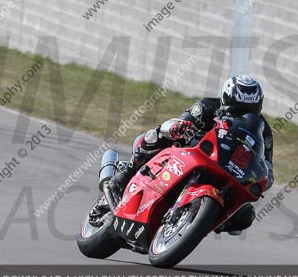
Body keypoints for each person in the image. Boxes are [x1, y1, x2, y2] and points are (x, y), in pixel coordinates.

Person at [108, 75, 274, 236]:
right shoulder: (208, 106)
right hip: (192, 151)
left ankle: (203, 221)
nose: (244, 113)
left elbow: (267, 166)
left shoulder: (263, 130)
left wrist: (263, 179)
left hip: (229, 171)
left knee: (245, 216)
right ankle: (125, 174)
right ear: (226, 98)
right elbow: (179, 122)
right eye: (239, 106)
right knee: (160, 136)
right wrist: (178, 127)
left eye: (249, 109)